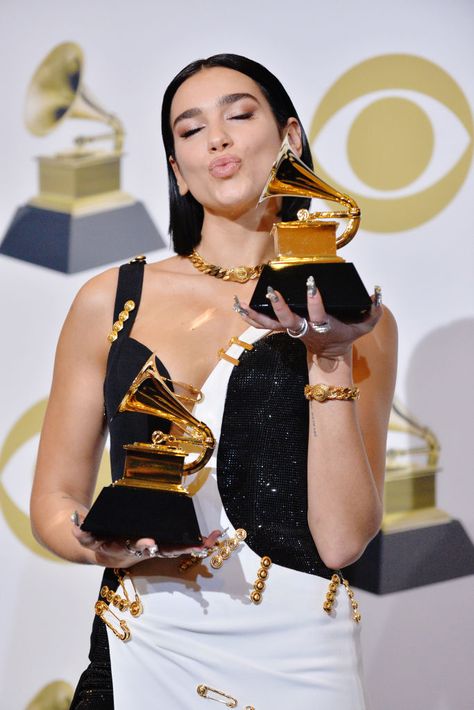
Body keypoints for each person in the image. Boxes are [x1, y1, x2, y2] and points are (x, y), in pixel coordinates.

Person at [30, 54, 397, 709]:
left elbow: (342, 539)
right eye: (191, 129)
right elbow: (55, 500)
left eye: (239, 113)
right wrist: (98, 547)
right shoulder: (110, 298)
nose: (218, 139)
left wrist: (330, 360)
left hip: (297, 658)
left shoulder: (349, 314)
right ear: (177, 167)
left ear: (290, 137)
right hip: (141, 642)